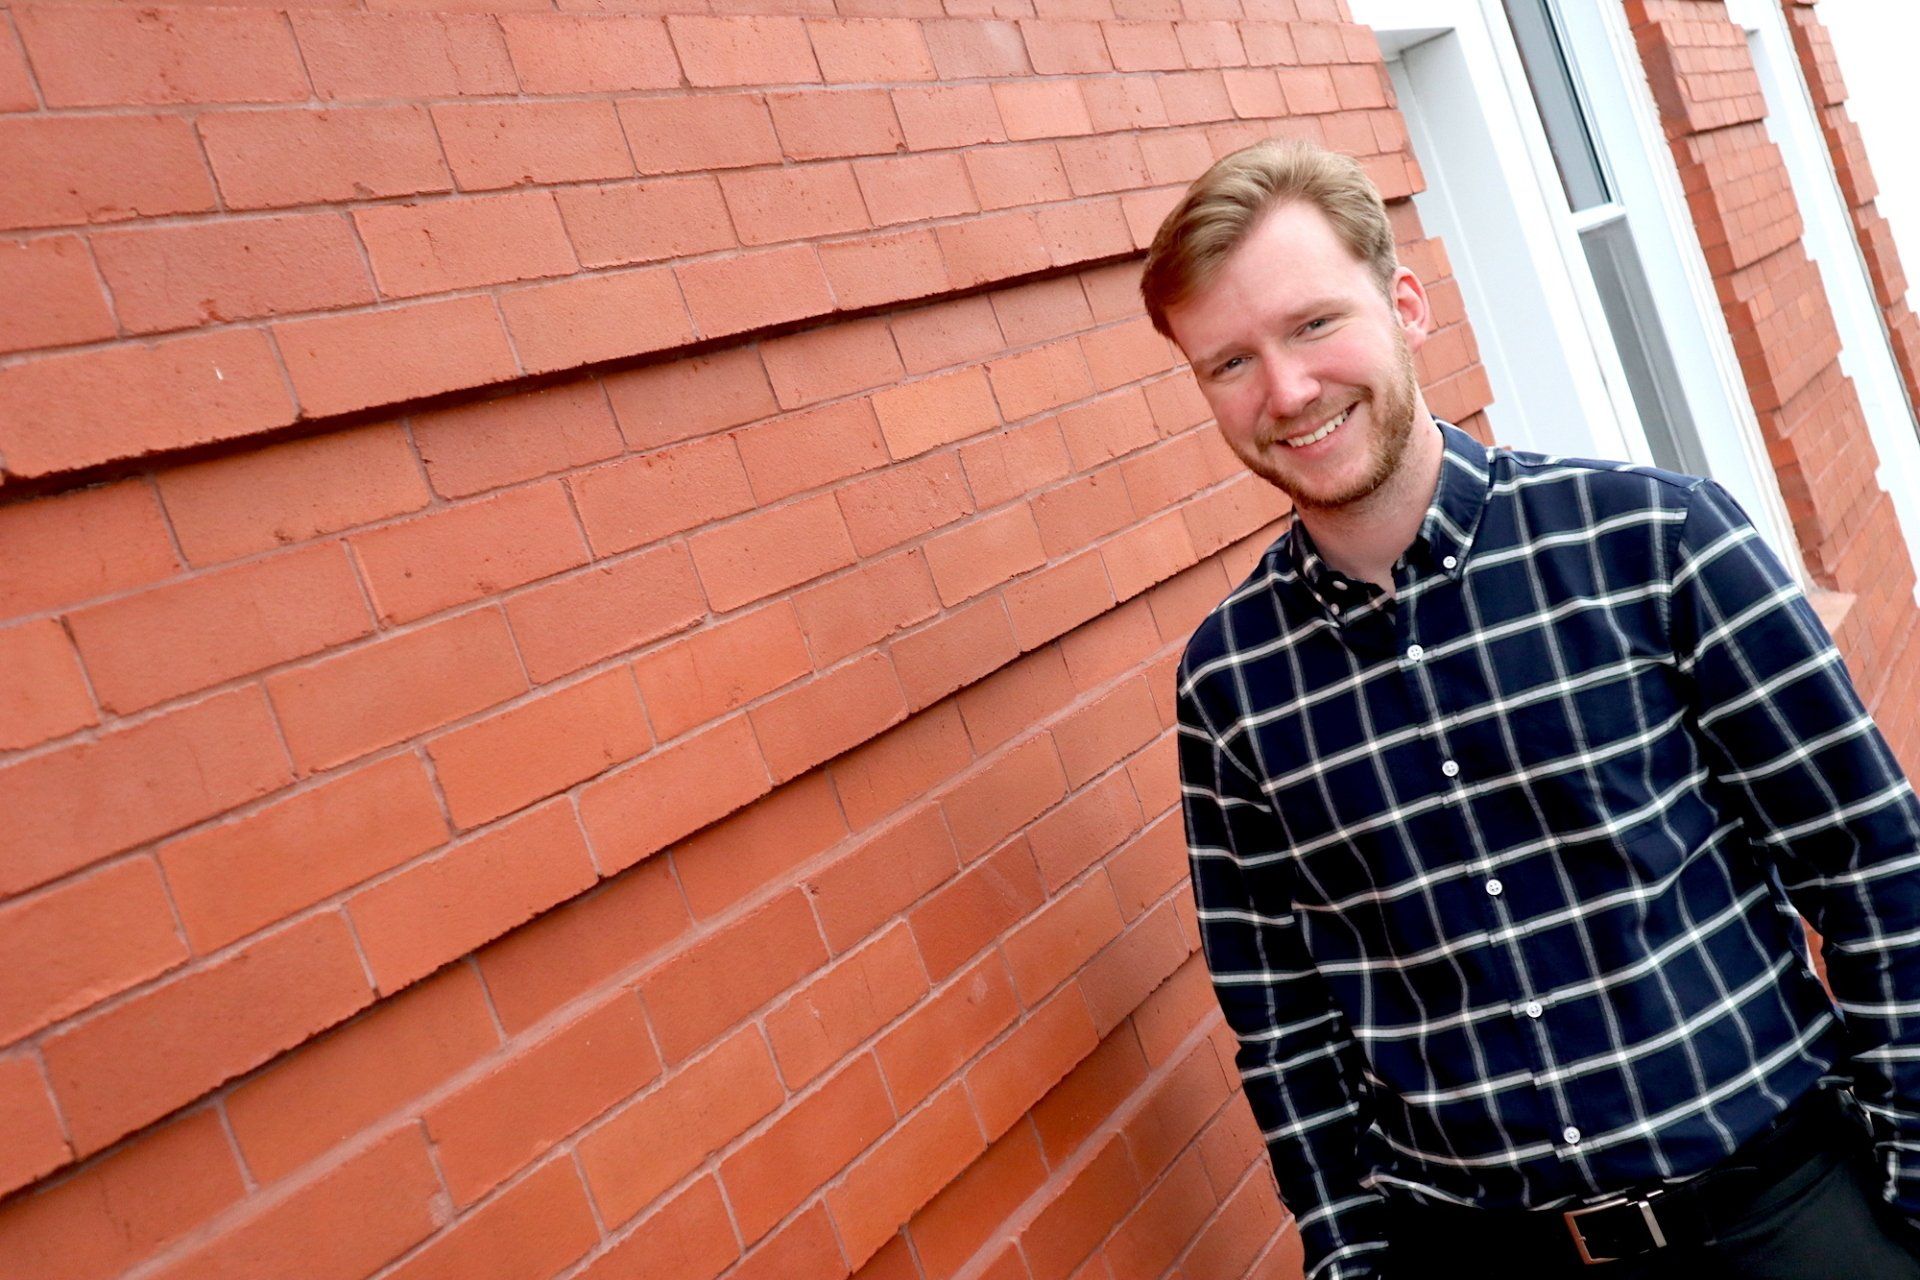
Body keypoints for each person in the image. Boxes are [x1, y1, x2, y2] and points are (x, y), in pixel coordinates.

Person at [1145, 137, 1920, 1280]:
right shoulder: (1231, 683)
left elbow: (1874, 867)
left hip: (1784, 1214)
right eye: (1230, 363)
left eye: (1314, 325)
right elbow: (1286, 1025)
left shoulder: (1655, 543)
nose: (1288, 390)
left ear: (1406, 303)